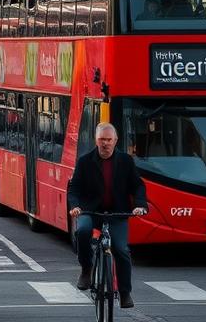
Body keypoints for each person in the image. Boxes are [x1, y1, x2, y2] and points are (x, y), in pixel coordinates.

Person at [67, 122, 147, 310]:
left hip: (117, 213)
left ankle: (125, 292)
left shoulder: (126, 161)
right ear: (96, 140)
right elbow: (74, 188)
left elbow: (138, 186)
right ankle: (87, 269)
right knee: (83, 231)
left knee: (121, 249)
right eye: (102, 140)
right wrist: (75, 206)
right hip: (90, 211)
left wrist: (140, 206)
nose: (105, 144)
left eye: (109, 140)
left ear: (115, 141)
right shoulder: (85, 161)